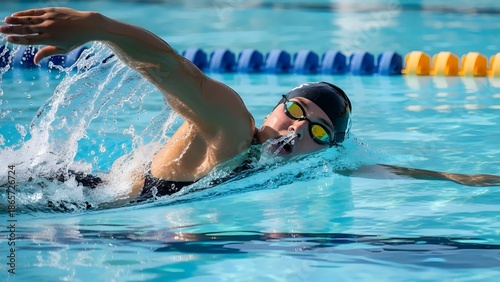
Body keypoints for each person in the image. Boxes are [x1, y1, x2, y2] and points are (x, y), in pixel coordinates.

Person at [1, 7, 499, 204]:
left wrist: (470, 180)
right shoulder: (231, 126)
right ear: (276, 108)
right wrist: (98, 26)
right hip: (61, 193)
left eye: (320, 133)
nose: (300, 132)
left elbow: (380, 171)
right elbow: (171, 69)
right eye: (298, 113)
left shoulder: (292, 166)